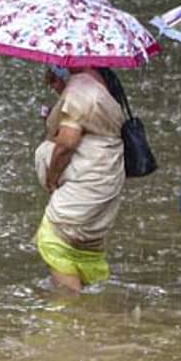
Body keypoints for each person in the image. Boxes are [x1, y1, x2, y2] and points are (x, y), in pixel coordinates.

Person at [34, 66, 126, 293]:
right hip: (105, 180)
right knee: (86, 249)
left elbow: (66, 144)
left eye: (53, 78)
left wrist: (52, 177)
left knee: (55, 239)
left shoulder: (80, 91)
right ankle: (95, 315)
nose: (52, 85)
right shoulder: (101, 83)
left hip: (86, 184)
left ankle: (70, 314)